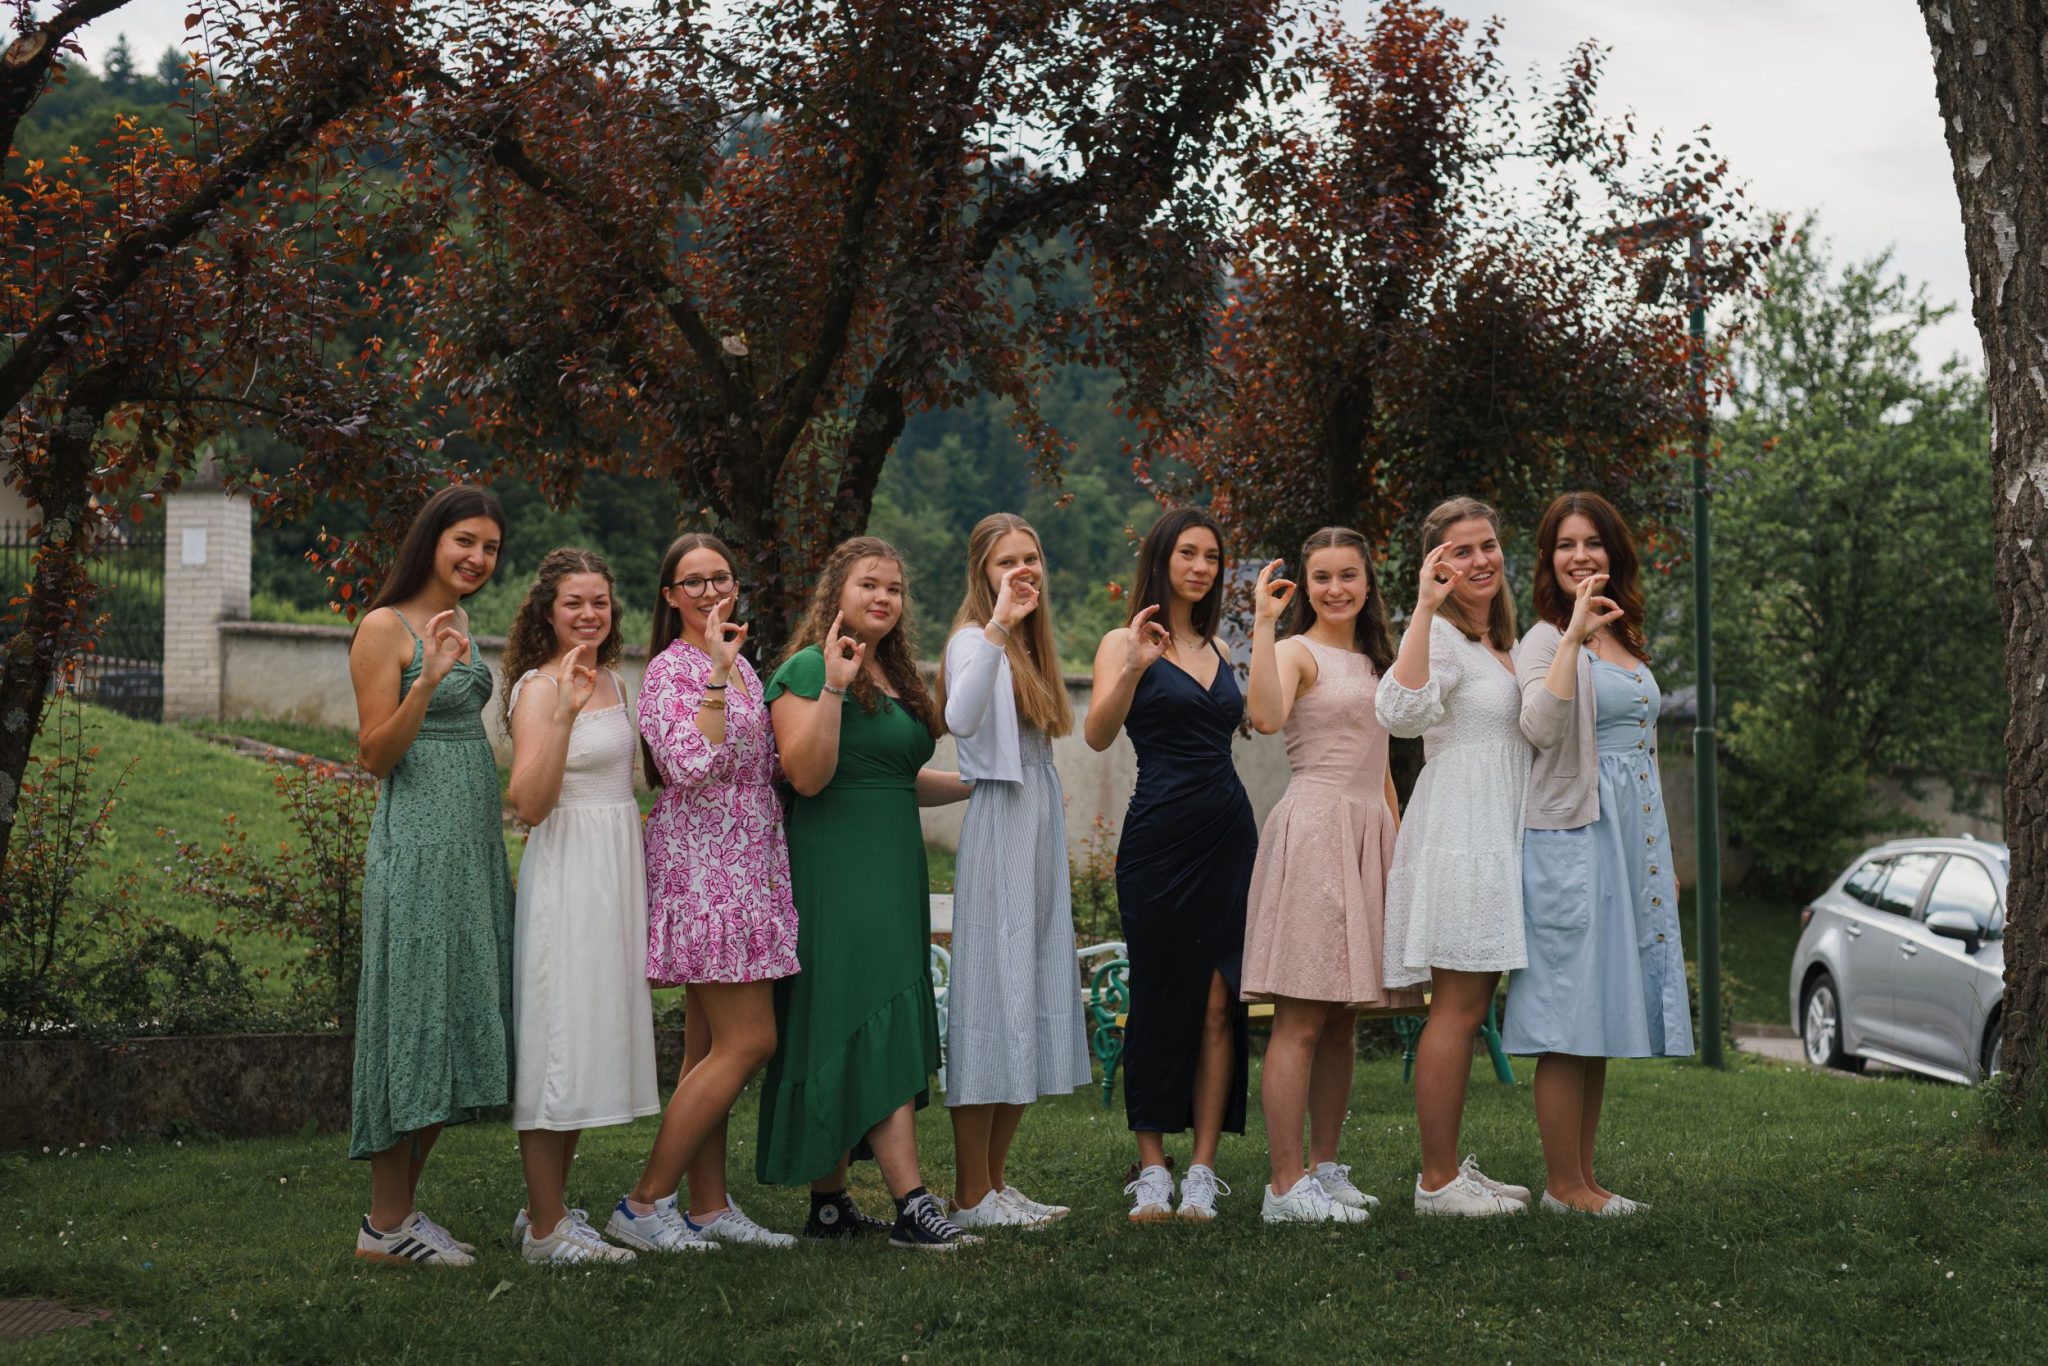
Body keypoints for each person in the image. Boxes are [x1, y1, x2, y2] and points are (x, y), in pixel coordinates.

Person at [759, 537, 977, 1251]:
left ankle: (829, 1206)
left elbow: (893, 777)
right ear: (838, 592)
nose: (883, 597)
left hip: (892, 867)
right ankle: (913, 1204)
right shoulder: (808, 667)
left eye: (894, 588)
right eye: (868, 585)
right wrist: (831, 685)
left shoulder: (895, 673)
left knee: (864, 1012)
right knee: (859, 1010)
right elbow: (808, 774)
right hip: (835, 869)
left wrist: (981, 785)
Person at [608, 533, 801, 1254]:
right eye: (693, 582)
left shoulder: (744, 664)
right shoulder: (672, 670)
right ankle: (642, 1203)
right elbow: (688, 764)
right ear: (670, 595)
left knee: (709, 1049)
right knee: (752, 1040)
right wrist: (716, 674)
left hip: (751, 857)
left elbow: (764, 763)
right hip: (704, 863)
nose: (711, 591)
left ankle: (709, 1207)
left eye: (721, 577)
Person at [1507, 492, 1693, 1216]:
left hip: (1627, 843)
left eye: (1592, 543)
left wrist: (1657, 858)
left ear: (1614, 553)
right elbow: (1540, 728)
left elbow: (1642, 749)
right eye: (1565, 544)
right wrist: (1572, 639)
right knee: (1566, 1014)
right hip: (1570, 843)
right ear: (1548, 559)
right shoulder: (1541, 640)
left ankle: (1583, 1181)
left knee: (1600, 1013)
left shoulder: (1625, 634)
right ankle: (1561, 1185)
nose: (1580, 555)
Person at [346, 485, 515, 1267]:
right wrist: (424, 679)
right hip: (416, 847)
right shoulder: (384, 627)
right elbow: (376, 754)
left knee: (455, 1009)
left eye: (490, 548)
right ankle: (384, 1224)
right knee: (413, 1014)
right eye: (466, 541)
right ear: (432, 540)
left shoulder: (462, 622)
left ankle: (399, 1214)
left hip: (470, 849)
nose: (478, 558)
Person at [1242, 527, 1421, 1225]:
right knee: (1301, 1019)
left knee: (1344, 1022)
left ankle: (1324, 1168)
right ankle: (1283, 1187)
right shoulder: (1295, 651)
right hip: (1316, 832)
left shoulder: (1379, 660)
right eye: (1322, 577)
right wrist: (1263, 623)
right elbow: (1264, 717)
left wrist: (1398, 852)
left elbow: (1382, 768)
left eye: (1349, 575)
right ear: (1305, 586)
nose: (1336, 588)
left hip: (1368, 834)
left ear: (1368, 582)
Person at [1083, 506, 1256, 1224]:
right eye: (1188, 553)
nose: (1200, 567)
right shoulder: (1120, 641)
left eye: (1211, 557)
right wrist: (1134, 666)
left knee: (1219, 1001)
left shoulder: (1219, 646)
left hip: (1227, 835)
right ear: (1160, 558)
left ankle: (1204, 1170)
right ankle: (1153, 1168)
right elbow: (1097, 734)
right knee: (1156, 997)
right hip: (1156, 839)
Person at [1375, 496, 1536, 1218]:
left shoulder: (1504, 641)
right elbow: (1399, 714)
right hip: (1462, 831)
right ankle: (1436, 1181)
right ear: (1437, 564)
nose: (1479, 560)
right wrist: (1422, 607)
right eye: (1460, 551)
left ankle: (1449, 1170)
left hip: (1500, 826)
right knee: (1458, 1008)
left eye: (1487, 545)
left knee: (1474, 1006)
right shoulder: (1438, 636)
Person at [933, 513, 1093, 1231]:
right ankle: (970, 1194)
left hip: (1038, 818)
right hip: (1000, 820)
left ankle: (995, 1184)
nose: (1023, 570)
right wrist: (998, 624)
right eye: (1006, 562)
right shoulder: (976, 639)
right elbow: (960, 719)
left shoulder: (1032, 646)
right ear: (982, 573)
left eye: (1031, 558)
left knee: (1026, 994)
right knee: (991, 1002)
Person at [500, 548, 659, 1264]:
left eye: (600, 602)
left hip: (614, 866)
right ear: (548, 611)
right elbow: (530, 804)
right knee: (556, 1038)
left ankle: (548, 1209)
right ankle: (545, 1232)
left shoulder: (617, 681)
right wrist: (563, 713)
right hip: (566, 867)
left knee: (586, 1034)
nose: (590, 614)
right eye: (574, 603)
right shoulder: (538, 688)